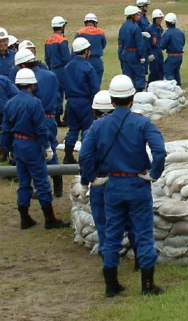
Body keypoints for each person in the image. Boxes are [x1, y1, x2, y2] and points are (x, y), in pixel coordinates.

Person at [79, 74, 167, 297]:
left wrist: (92, 179)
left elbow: (85, 155)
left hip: (113, 185)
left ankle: (111, 285)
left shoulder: (98, 126)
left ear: (111, 98)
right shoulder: (142, 123)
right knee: (144, 234)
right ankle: (147, 285)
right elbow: (159, 151)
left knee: (111, 235)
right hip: (137, 184)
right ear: (133, 97)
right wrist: (154, 174)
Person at [3, 68, 70, 229]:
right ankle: (49, 218)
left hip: (18, 145)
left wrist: (9, 148)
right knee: (41, 182)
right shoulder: (35, 103)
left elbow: (6, 130)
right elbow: (40, 129)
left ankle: (24, 218)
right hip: (32, 145)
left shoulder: (10, 103)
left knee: (24, 182)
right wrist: (47, 147)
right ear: (32, 85)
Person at [14, 49, 63, 197]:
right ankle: (57, 182)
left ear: (22, 65)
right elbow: (59, 96)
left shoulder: (29, 80)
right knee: (51, 151)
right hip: (51, 117)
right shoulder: (51, 75)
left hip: (36, 119)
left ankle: (41, 187)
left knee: (37, 153)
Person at [77, 90, 114, 259]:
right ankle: (139, 258)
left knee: (102, 220)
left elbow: (85, 159)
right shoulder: (131, 127)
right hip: (124, 179)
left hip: (99, 180)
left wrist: (86, 182)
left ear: (95, 112)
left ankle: (108, 256)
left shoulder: (91, 132)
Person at [62, 38, 100, 166]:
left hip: (71, 102)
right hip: (84, 102)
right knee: (87, 130)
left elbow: (65, 86)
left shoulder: (67, 67)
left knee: (72, 129)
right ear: (86, 51)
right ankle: (86, 157)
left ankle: (68, 156)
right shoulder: (88, 68)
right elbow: (95, 88)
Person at [44, 16, 70, 127]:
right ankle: (63, 118)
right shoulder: (62, 40)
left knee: (55, 93)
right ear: (62, 27)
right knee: (66, 93)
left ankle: (56, 117)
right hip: (61, 70)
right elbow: (66, 58)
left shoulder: (48, 40)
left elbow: (47, 58)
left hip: (52, 69)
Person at [118, 6, 148, 92]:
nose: (139, 16)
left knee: (128, 75)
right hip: (134, 54)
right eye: (137, 14)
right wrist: (142, 56)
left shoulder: (123, 26)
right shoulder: (135, 27)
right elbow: (140, 43)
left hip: (125, 53)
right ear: (132, 16)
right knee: (139, 74)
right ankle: (139, 93)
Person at [75, 13, 107, 86]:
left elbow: (75, 48)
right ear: (95, 22)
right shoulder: (100, 32)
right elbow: (103, 45)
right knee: (96, 84)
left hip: (83, 61)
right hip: (97, 61)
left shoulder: (80, 32)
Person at [160, 13, 185, 86]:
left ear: (167, 22)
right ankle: (178, 86)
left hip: (172, 56)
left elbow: (163, 46)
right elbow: (183, 42)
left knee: (168, 71)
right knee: (176, 72)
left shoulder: (168, 33)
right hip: (180, 56)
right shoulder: (180, 32)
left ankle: (172, 87)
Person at [146, 9, 165, 83]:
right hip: (153, 51)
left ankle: (160, 84)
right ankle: (150, 84)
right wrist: (150, 53)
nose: (160, 20)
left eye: (161, 18)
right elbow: (147, 42)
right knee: (154, 70)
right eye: (158, 18)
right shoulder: (149, 29)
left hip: (159, 51)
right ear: (155, 19)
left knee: (161, 69)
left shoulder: (160, 29)